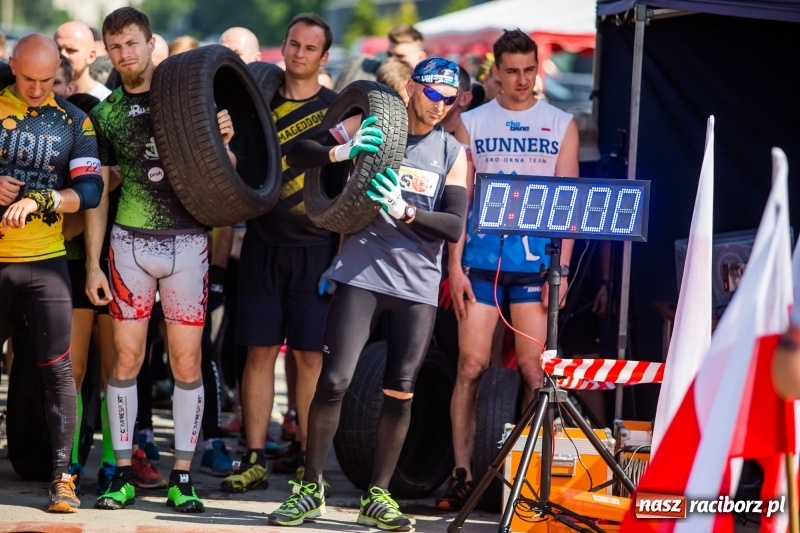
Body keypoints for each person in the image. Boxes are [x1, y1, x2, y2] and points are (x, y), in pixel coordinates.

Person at [267, 56, 468, 530]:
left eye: (450, 98)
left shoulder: (452, 152)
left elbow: (455, 226)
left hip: (416, 287)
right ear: (412, 89)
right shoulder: (374, 126)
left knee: (400, 390)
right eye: (433, 93)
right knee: (334, 380)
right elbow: (299, 153)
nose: (440, 105)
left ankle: (378, 495)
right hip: (362, 273)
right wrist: (345, 150)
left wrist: (407, 211)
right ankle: (310, 486)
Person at [84, 6, 235, 513]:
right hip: (128, 245)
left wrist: (226, 139)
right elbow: (100, 195)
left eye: (132, 43)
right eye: (115, 47)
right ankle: (121, 473)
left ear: (152, 44)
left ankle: (183, 477)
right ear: (107, 53)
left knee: (188, 361)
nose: (125, 55)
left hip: (188, 244)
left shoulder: (188, 102)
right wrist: (92, 264)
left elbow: (229, 175)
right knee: (125, 361)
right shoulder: (103, 115)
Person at [435, 29, 580, 512]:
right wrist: (452, 267)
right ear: (494, 72)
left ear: (537, 69)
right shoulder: (471, 122)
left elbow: (571, 206)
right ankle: (462, 473)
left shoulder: (561, 123)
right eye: (511, 71)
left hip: (536, 269)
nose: (521, 80)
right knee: (471, 367)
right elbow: (462, 200)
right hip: (479, 265)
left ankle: (525, 475)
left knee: (535, 375)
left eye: (528, 70)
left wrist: (560, 271)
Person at [220, 12, 338, 494]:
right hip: (263, 244)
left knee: (310, 360)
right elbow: (233, 170)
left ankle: (311, 472)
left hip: (317, 249)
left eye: (310, 48)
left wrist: (341, 257)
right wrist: (223, 141)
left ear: (324, 57)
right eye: (293, 44)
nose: (299, 54)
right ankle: (253, 456)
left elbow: (352, 191)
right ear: (282, 47)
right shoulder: (258, 104)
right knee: (258, 353)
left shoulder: (338, 110)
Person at [0, 33, 104, 513]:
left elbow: (89, 192)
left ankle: (63, 477)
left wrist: (45, 198)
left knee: (58, 370)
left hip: (45, 260)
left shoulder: (75, 121)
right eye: (27, 80)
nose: (38, 89)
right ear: (12, 67)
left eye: (46, 80)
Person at [54, 21, 111, 100]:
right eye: (57, 49)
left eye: (71, 50)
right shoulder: (40, 96)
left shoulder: (106, 101)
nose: (62, 55)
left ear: (91, 55)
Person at [439, 65, 472, 134]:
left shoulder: (474, 137)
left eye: (444, 92)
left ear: (464, 99)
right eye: (430, 91)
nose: (434, 98)